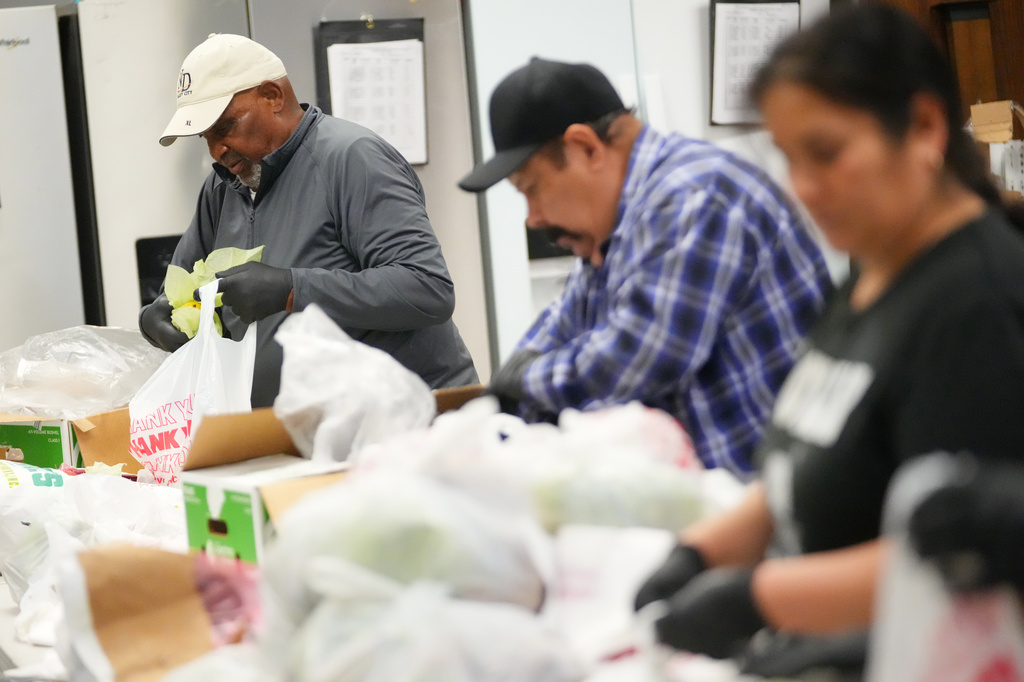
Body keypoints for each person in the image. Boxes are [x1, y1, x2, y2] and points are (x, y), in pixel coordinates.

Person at [633, 2, 1024, 668]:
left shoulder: (976, 303)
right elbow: (820, 448)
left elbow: (953, 554)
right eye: (789, 157)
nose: (804, 187)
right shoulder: (873, 271)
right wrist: (701, 550)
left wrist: (759, 598)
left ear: (924, 127)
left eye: (826, 152)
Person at [458, 58, 833, 476]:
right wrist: (506, 392)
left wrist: (525, 380)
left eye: (532, 189)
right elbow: (560, 326)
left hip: (773, 499)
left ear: (586, 148)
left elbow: (636, 359)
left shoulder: (695, 196)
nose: (533, 217)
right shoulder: (615, 226)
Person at [139, 34, 478, 407]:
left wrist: (291, 289)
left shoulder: (351, 159)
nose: (216, 151)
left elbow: (427, 288)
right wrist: (154, 318)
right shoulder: (223, 189)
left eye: (226, 127)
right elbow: (180, 293)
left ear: (272, 96)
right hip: (299, 435)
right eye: (205, 137)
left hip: (404, 425)